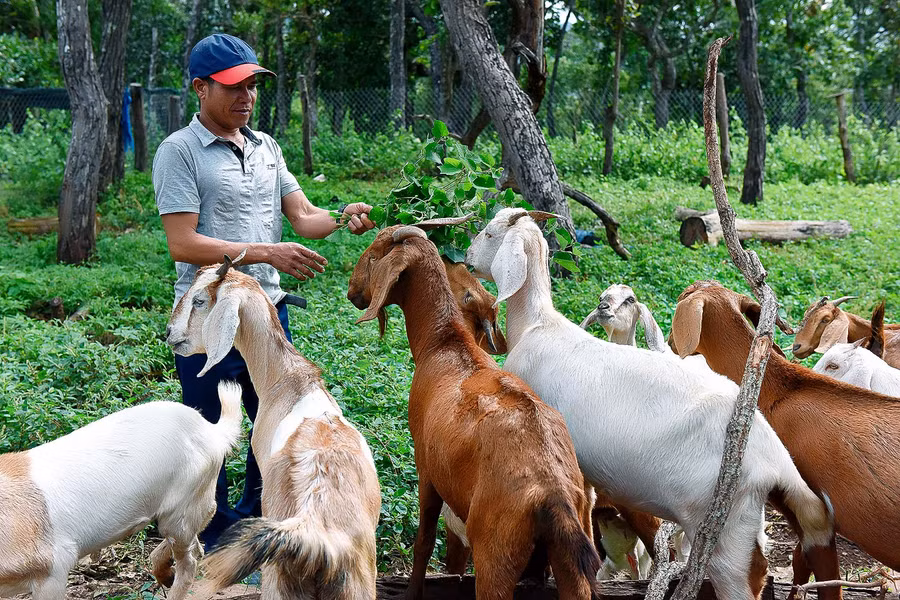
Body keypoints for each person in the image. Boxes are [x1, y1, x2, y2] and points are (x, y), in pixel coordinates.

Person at [152, 33, 375, 550]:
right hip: (211, 316)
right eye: (232, 86)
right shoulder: (179, 152)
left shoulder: (266, 146)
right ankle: (211, 538)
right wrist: (266, 252)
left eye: (252, 84)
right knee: (211, 434)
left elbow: (302, 216)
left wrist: (342, 218)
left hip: (267, 315)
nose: (246, 96)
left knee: (273, 425)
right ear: (200, 89)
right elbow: (183, 243)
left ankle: (256, 531)